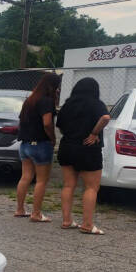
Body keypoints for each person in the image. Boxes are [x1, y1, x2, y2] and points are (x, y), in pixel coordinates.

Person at [56, 77, 111, 235]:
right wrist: (94, 133)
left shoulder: (67, 105)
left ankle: (67, 221)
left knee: (68, 185)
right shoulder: (96, 103)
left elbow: (59, 125)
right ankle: (87, 225)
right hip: (88, 149)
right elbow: (106, 117)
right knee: (91, 187)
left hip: (67, 147)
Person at [15, 72, 61, 222]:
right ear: (52, 86)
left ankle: (20, 209)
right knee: (41, 180)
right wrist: (52, 138)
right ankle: (36, 214)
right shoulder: (46, 101)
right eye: (57, 86)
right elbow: (47, 123)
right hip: (40, 144)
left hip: (25, 145)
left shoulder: (29, 100)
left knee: (25, 177)